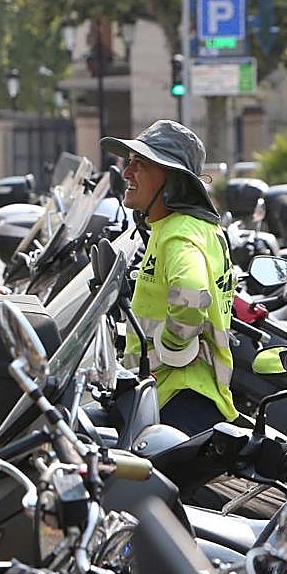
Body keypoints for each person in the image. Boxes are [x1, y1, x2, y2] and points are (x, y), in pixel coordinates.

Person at [102, 120, 237, 435]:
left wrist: (172, 345)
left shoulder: (178, 234)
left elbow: (191, 296)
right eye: (129, 162)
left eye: (140, 164)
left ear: (173, 179)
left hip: (178, 396)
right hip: (183, 395)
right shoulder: (190, 228)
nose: (126, 172)